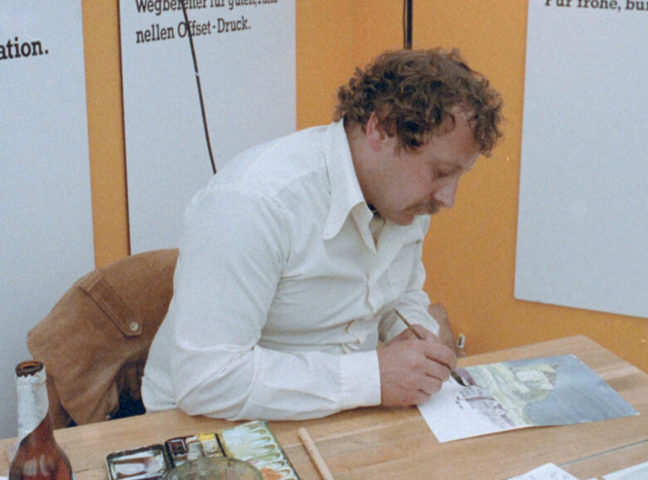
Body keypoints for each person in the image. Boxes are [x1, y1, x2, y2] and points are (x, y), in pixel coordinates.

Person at [141, 48, 503, 421]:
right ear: (380, 129)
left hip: (333, 414)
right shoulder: (256, 203)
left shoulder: (404, 199)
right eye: (441, 172)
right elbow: (206, 381)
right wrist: (374, 377)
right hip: (203, 425)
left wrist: (410, 333)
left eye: (459, 175)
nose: (448, 197)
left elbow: (397, 295)